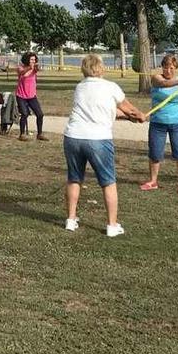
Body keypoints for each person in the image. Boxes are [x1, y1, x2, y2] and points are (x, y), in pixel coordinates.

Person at [64, 54, 145, 237]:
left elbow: (108, 109)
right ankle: (112, 225)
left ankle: (70, 219)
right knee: (108, 181)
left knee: (74, 178)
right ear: (101, 68)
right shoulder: (110, 87)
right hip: (98, 139)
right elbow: (127, 108)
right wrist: (138, 114)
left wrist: (130, 116)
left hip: (73, 136)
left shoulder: (80, 87)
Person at [141, 54, 178, 196]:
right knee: (155, 154)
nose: (168, 70)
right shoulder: (156, 78)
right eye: (166, 67)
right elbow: (163, 84)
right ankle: (153, 181)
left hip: (177, 123)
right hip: (158, 123)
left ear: (176, 68)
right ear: (162, 67)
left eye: (172, 68)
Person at [15, 52, 47, 142]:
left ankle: (39, 134)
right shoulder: (20, 67)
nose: (33, 61)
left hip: (32, 96)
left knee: (40, 114)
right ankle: (22, 134)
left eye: (34, 59)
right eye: (31, 59)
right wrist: (30, 67)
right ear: (27, 60)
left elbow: (38, 69)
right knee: (25, 114)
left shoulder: (34, 69)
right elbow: (23, 74)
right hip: (21, 96)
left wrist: (36, 67)